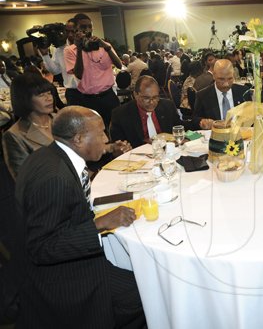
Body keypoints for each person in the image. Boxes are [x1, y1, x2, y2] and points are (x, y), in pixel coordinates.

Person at [15, 106, 146, 328]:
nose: (106, 138)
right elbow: (42, 248)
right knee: (143, 290)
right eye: (102, 133)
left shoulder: (51, 155)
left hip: (56, 261)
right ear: (78, 139)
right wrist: (100, 223)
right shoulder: (55, 179)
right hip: (62, 278)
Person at [64, 13, 123, 127]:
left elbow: (119, 65)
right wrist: (80, 49)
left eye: (90, 26)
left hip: (108, 97)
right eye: (83, 27)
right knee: (94, 132)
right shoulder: (70, 50)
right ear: (76, 30)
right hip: (87, 100)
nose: (88, 30)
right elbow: (78, 75)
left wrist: (106, 47)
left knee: (116, 128)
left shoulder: (105, 46)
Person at [111, 75, 188, 148]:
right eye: (146, 98)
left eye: (155, 97)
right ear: (135, 95)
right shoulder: (121, 114)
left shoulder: (167, 106)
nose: (151, 102)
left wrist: (198, 122)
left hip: (168, 153)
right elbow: (118, 146)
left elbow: (179, 126)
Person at [2, 73, 54, 179]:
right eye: (41, 95)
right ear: (25, 99)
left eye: (49, 93)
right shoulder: (15, 135)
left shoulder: (60, 119)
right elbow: (23, 179)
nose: (49, 98)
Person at [192, 59, 246, 130]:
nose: (226, 84)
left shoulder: (244, 92)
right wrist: (202, 122)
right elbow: (195, 120)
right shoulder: (203, 95)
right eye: (221, 79)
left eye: (230, 79)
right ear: (214, 75)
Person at [39, 18, 80, 105]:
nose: (70, 34)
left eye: (73, 31)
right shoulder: (60, 49)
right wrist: (45, 55)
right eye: (67, 31)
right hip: (72, 92)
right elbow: (55, 71)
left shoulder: (86, 46)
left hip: (90, 91)